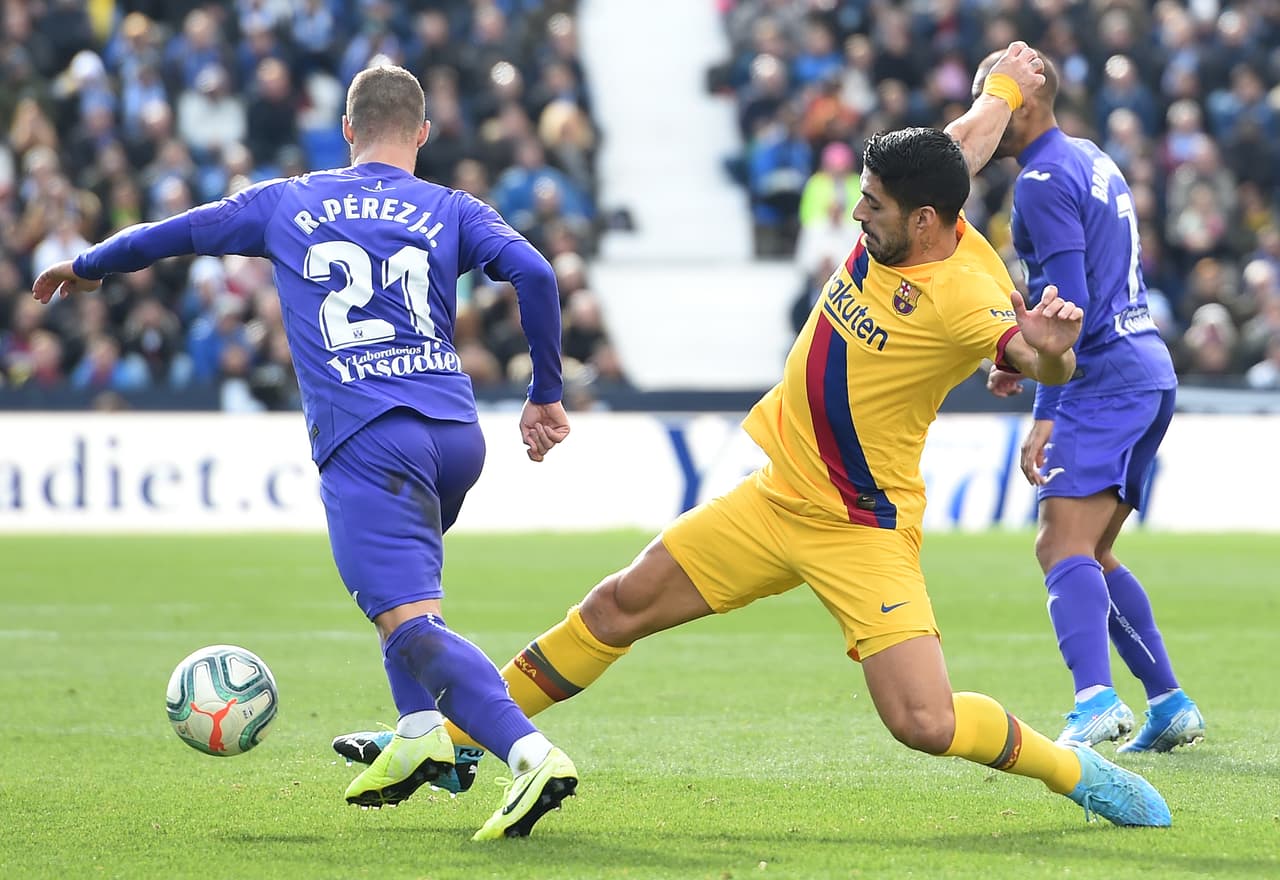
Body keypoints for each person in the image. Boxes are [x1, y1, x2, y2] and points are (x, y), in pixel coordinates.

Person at [336, 44, 1172, 828]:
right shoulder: (919, 198)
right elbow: (960, 142)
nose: (855, 213)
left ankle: (1076, 774)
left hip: (859, 527)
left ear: (924, 221)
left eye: (871, 206)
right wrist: (1004, 87)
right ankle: (456, 742)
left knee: (923, 720)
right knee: (616, 605)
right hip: (775, 499)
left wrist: (1056, 361)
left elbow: (1029, 352)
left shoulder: (969, 294)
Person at [33, 64, 578, 841]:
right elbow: (534, 270)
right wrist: (545, 392)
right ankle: (421, 732)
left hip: (368, 439)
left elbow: (179, 232)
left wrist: (88, 264)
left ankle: (531, 756)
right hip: (456, 438)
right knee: (406, 602)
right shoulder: (453, 208)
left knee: (411, 622)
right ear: (422, 134)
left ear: (347, 130)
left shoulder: (288, 200)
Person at [972, 51, 1205, 753]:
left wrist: (1045, 408)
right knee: (1093, 552)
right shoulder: (1091, 157)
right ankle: (1168, 700)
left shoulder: (1039, 182)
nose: (984, 116)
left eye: (993, 100)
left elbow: (1065, 313)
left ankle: (1096, 699)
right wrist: (1023, 357)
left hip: (1102, 381)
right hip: (1145, 368)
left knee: (1059, 544)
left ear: (1025, 103)